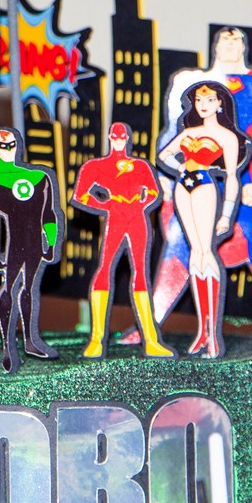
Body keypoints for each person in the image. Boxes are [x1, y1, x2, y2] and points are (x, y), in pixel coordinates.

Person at [143, 27, 252, 341]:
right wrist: (167, 177)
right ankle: (151, 327)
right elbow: (172, 135)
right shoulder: (192, 82)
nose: (231, 43)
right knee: (181, 245)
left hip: (245, 181)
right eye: (226, 38)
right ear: (216, 44)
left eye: (237, 39)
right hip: (196, 183)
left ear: (244, 45)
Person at [156, 81, 249, 358]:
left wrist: (226, 213)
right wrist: (180, 167)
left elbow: (232, 176)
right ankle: (202, 332)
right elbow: (164, 155)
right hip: (183, 187)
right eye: (198, 100)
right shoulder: (189, 132)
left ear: (220, 103)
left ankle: (212, 335)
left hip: (206, 188)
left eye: (209, 100)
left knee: (206, 252)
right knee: (195, 253)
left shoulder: (227, 137)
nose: (203, 105)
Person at [0, 127, 61, 373]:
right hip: (12, 246)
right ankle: (8, 346)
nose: (8, 149)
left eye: (12, 144)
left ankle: (30, 341)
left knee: (29, 289)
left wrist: (50, 242)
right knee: (9, 288)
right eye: (3, 145)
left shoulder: (39, 177)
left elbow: (49, 214)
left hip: (35, 245)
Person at [70, 122, 172, 358]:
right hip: (115, 217)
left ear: (127, 138)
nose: (118, 140)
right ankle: (96, 340)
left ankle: (151, 340)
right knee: (105, 267)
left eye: (121, 137)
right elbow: (80, 195)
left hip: (137, 218)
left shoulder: (140, 166)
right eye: (115, 137)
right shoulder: (96, 166)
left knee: (141, 273)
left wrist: (141, 202)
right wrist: (106, 204)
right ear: (110, 138)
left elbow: (154, 192)